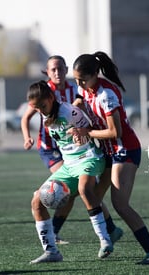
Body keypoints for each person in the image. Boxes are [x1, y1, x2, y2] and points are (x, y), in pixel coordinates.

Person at [70, 51, 149, 265]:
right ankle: (111, 231)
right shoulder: (85, 87)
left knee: (120, 204)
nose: (79, 84)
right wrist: (73, 109)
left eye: (82, 80)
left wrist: (88, 133)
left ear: (95, 74)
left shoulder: (107, 95)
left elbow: (116, 132)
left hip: (125, 150)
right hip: (108, 151)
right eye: (76, 80)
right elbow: (80, 98)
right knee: (90, 194)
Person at [21, 55, 122, 244]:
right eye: (53, 69)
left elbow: (89, 128)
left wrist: (85, 133)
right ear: (47, 72)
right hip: (53, 150)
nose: (57, 73)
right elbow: (27, 117)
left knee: (75, 192)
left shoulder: (72, 93)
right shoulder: (41, 93)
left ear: (66, 70)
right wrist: (27, 137)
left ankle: (104, 235)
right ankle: (52, 247)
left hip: (84, 155)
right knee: (47, 196)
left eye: (60, 69)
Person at [27, 80, 113, 264]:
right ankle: (51, 252)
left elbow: (92, 129)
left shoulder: (69, 112)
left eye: (42, 106)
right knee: (36, 200)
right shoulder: (45, 115)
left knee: (84, 189)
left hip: (90, 157)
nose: (40, 111)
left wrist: (82, 132)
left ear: (51, 98)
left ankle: (105, 240)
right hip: (69, 165)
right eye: (37, 109)